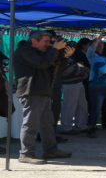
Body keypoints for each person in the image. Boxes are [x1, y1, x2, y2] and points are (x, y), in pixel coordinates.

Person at [14, 30, 72, 164]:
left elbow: (55, 68)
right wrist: (54, 50)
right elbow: (42, 64)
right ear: (34, 40)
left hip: (43, 91)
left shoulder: (43, 53)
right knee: (31, 124)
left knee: (47, 124)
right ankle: (26, 153)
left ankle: (51, 150)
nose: (48, 44)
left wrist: (65, 57)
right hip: (31, 92)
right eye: (45, 41)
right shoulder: (24, 51)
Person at [60, 56, 89, 135]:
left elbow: (81, 66)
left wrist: (83, 71)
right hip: (68, 84)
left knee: (82, 105)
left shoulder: (72, 58)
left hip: (78, 82)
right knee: (69, 105)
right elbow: (65, 71)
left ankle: (81, 125)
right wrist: (80, 70)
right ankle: (66, 127)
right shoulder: (60, 57)